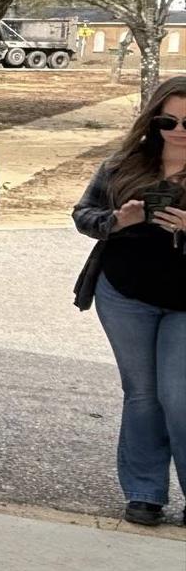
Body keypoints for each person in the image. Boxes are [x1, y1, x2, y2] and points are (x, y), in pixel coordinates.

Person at [71, 75, 186, 527]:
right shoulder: (122, 165)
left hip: (184, 302)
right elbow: (83, 215)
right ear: (153, 119)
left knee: (178, 397)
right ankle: (144, 493)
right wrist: (117, 220)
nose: (178, 129)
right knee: (142, 395)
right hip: (124, 295)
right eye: (168, 119)